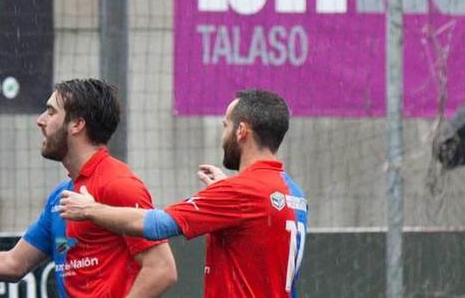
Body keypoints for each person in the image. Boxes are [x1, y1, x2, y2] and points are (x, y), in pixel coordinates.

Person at [0, 78, 177, 297]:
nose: (40, 120)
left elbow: (162, 270)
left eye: (51, 112)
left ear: (77, 125)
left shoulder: (119, 184)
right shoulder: (61, 196)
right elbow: (13, 264)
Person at [59, 89, 308, 298]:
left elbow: (157, 225)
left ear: (241, 131)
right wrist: (226, 193)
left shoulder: (240, 193)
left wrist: (90, 209)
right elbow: (258, 233)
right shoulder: (293, 192)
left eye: (226, 126)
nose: (223, 136)